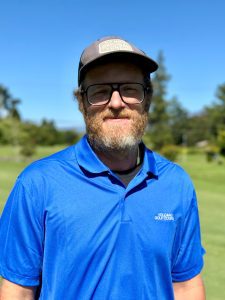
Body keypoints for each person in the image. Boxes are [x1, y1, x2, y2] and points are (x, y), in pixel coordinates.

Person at [0, 36, 205, 299]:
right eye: (100, 91)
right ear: (81, 102)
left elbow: (185, 284)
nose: (117, 103)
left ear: (148, 98)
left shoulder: (177, 184)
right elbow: (17, 290)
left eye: (130, 89)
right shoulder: (36, 184)